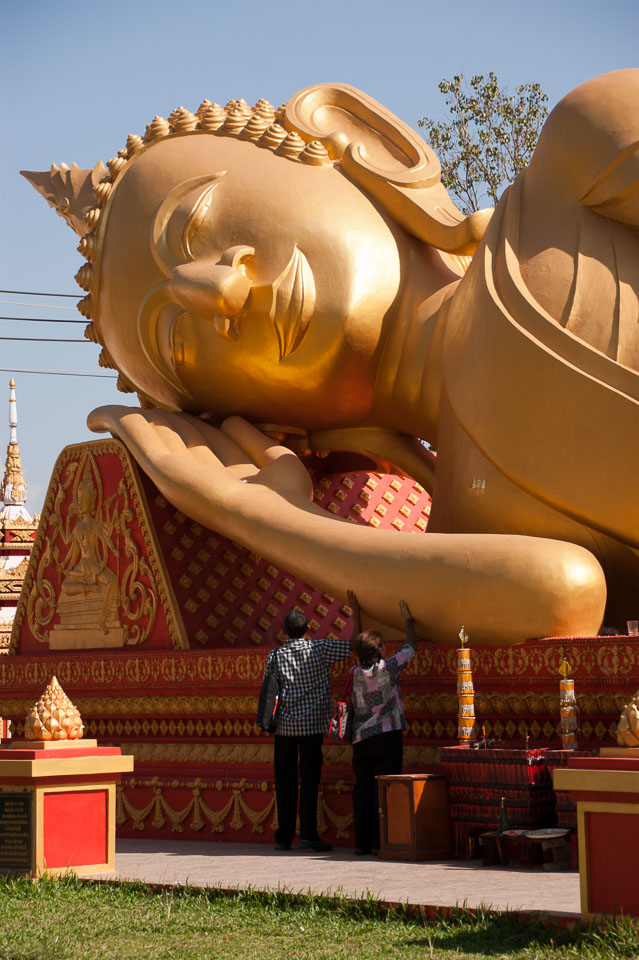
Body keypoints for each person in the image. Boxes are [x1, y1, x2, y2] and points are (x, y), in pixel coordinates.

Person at [29, 71, 639, 642]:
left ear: (355, 139)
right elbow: (561, 592)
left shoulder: (576, 166)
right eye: (181, 343)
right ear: (272, 428)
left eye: (197, 224)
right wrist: (269, 516)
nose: (220, 292)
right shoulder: (469, 527)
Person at [263, 607, 351, 852]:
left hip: (284, 728)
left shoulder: (276, 656)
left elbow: (268, 691)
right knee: (310, 782)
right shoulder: (320, 649)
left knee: (285, 783)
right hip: (312, 727)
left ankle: (284, 836)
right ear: (308, 629)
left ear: (284, 631)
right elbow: (354, 646)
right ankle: (309, 834)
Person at [348, 592, 417, 855]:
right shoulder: (388, 668)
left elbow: (358, 645)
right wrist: (408, 621)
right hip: (387, 736)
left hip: (361, 739)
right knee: (386, 789)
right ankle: (384, 842)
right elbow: (411, 648)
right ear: (380, 651)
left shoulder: (354, 674)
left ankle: (362, 843)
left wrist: (356, 615)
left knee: (363, 790)